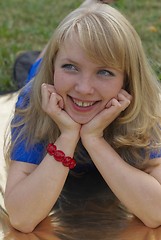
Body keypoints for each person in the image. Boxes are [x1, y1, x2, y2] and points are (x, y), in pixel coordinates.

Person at [4, 1, 161, 234]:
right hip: (42, 72)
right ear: (55, 68)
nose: (84, 88)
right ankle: (89, 7)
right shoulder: (37, 96)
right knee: (34, 67)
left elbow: (156, 212)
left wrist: (93, 139)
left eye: (105, 72)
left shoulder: (144, 105)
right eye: (70, 67)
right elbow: (21, 218)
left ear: (127, 80)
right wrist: (67, 135)